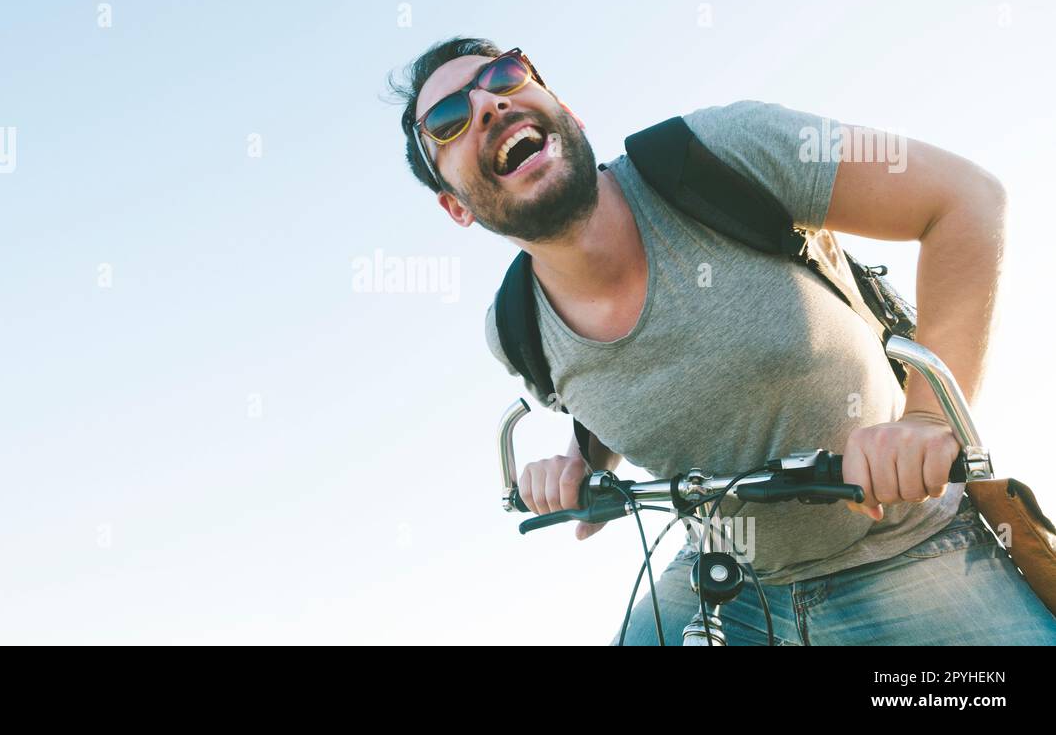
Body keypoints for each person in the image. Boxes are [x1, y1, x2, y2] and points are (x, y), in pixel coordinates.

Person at [389, 36, 1056, 645]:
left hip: (914, 546)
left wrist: (926, 418)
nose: (486, 104)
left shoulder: (715, 153)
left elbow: (966, 199)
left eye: (506, 76)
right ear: (457, 207)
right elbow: (613, 384)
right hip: (728, 581)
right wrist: (579, 465)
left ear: (567, 110)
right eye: (447, 119)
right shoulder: (516, 331)